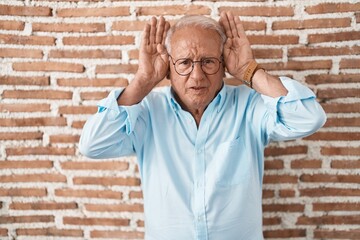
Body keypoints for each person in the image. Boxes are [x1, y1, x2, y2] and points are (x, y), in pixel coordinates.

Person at [79, 11, 326, 240]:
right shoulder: (146, 111)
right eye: (185, 62)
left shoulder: (250, 105)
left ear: (224, 66)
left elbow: (309, 117)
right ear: (168, 68)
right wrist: (142, 81)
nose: (197, 77)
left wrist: (248, 70)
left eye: (208, 62)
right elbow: (92, 145)